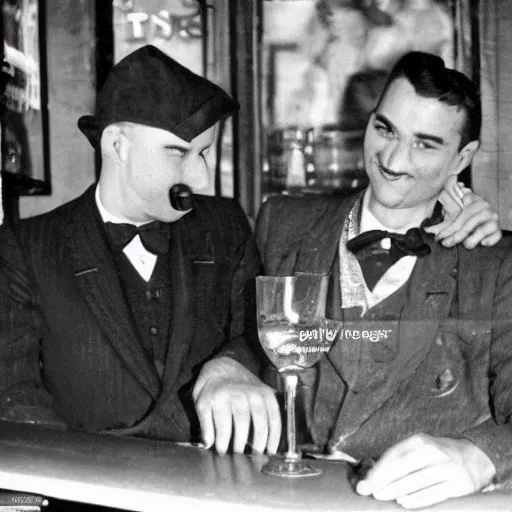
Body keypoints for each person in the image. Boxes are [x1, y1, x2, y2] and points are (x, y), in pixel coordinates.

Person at [194, 52, 512, 509]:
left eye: (425, 144)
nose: (394, 159)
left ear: (462, 157)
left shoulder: (494, 261)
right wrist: (227, 366)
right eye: (385, 129)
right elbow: (250, 334)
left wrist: (481, 456)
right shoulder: (282, 223)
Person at [0, 44, 278, 442]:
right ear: (117, 145)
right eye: (179, 153)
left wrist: (234, 364)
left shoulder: (226, 227)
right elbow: (14, 394)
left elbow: (261, 329)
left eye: (204, 153)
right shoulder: (24, 248)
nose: (199, 179)